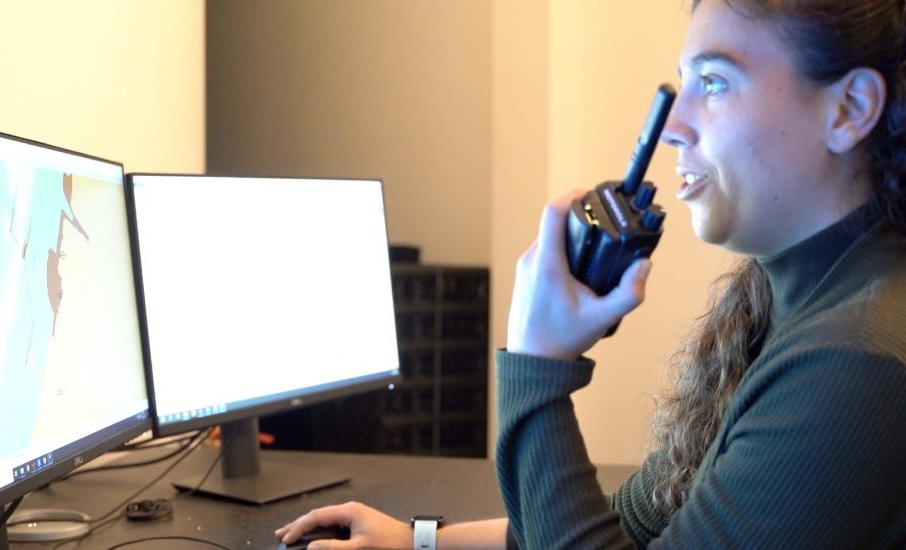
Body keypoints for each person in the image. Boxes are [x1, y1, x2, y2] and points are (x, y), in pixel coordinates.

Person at [275, 0, 906, 547]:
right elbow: (633, 524)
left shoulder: (858, 360)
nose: (675, 128)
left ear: (849, 108)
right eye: (682, 86)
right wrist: (420, 541)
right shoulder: (794, 296)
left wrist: (538, 366)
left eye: (714, 83)